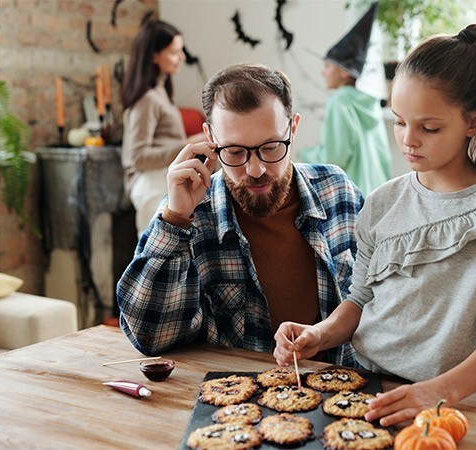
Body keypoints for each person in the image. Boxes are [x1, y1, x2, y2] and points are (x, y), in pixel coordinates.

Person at [273, 24, 476, 427]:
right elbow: (361, 297)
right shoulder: (383, 202)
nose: (408, 140)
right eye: (399, 122)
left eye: (429, 127)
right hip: (366, 388)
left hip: (456, 403)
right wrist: (322, 333)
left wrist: (440, 391)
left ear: (474, 122)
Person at [116, 63, 366, 368]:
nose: (255, 170)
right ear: (210, 137)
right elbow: (150, 337)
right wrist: (176, 218)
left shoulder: (338, 192)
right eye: (234, 152)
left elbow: (377, 302)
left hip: (340, 392)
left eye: (272, 147)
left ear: (293, 128)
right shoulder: (189, 214)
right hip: (234, 403)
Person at [121, 19, 207, 237]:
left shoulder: (160, 93)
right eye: (175, 52)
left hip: (161, 182)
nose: (182, 57)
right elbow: (137, 157)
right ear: (154, 56)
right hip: (152, 186)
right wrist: (188, 144)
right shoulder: (148, 99)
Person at [298, 2, 392, 195]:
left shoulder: (339, 102)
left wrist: (306, 153)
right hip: (378, 194)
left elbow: (334, 158)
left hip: (353, 197)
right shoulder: (371, 104)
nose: (322, 73)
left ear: (343, 72)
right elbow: (384, 158)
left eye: (327, 67)